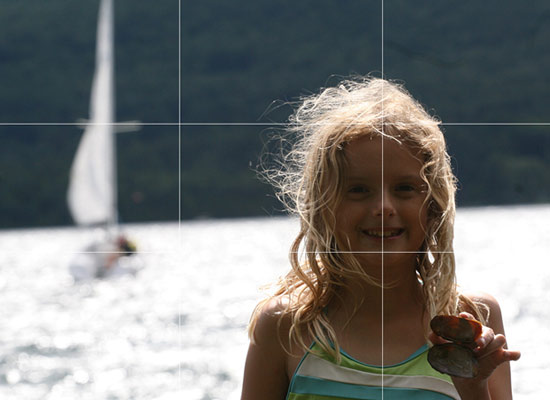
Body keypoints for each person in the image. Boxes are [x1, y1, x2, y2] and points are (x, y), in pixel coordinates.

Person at [241, 76, 520, 399]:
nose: (384, 207)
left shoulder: (473, 318)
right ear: (324, 207)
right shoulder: (286, 326)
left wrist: (473, 387)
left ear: (433, 206)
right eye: (358, 190)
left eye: (404, 188)